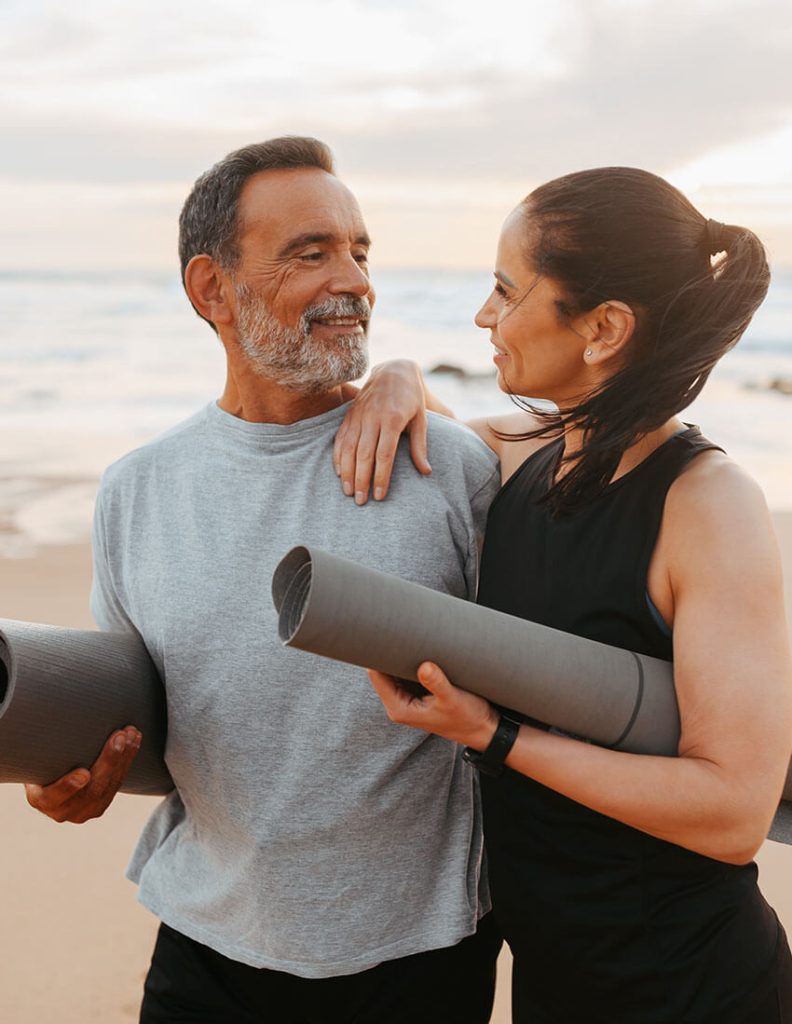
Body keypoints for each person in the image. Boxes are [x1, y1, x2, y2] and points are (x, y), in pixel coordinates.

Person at [24, 137, 502, 1023]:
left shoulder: (448, 467)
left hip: (417, 956)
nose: (354, 280)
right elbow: (148, 724)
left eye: (361, 251)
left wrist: (410, 382)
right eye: (310, 252)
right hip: (206, 946)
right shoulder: (137, 490)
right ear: (212, 289)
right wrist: (81, 775)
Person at [334, 167, 792, 1022]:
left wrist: (494, 735)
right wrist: (394, 371)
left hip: (687, 987)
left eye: (506, 291)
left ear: (605, 328)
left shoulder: (706, 503)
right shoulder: (531, 453)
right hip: (552, 982)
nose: (484, 316)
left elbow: (735, 809)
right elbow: (436, 426)